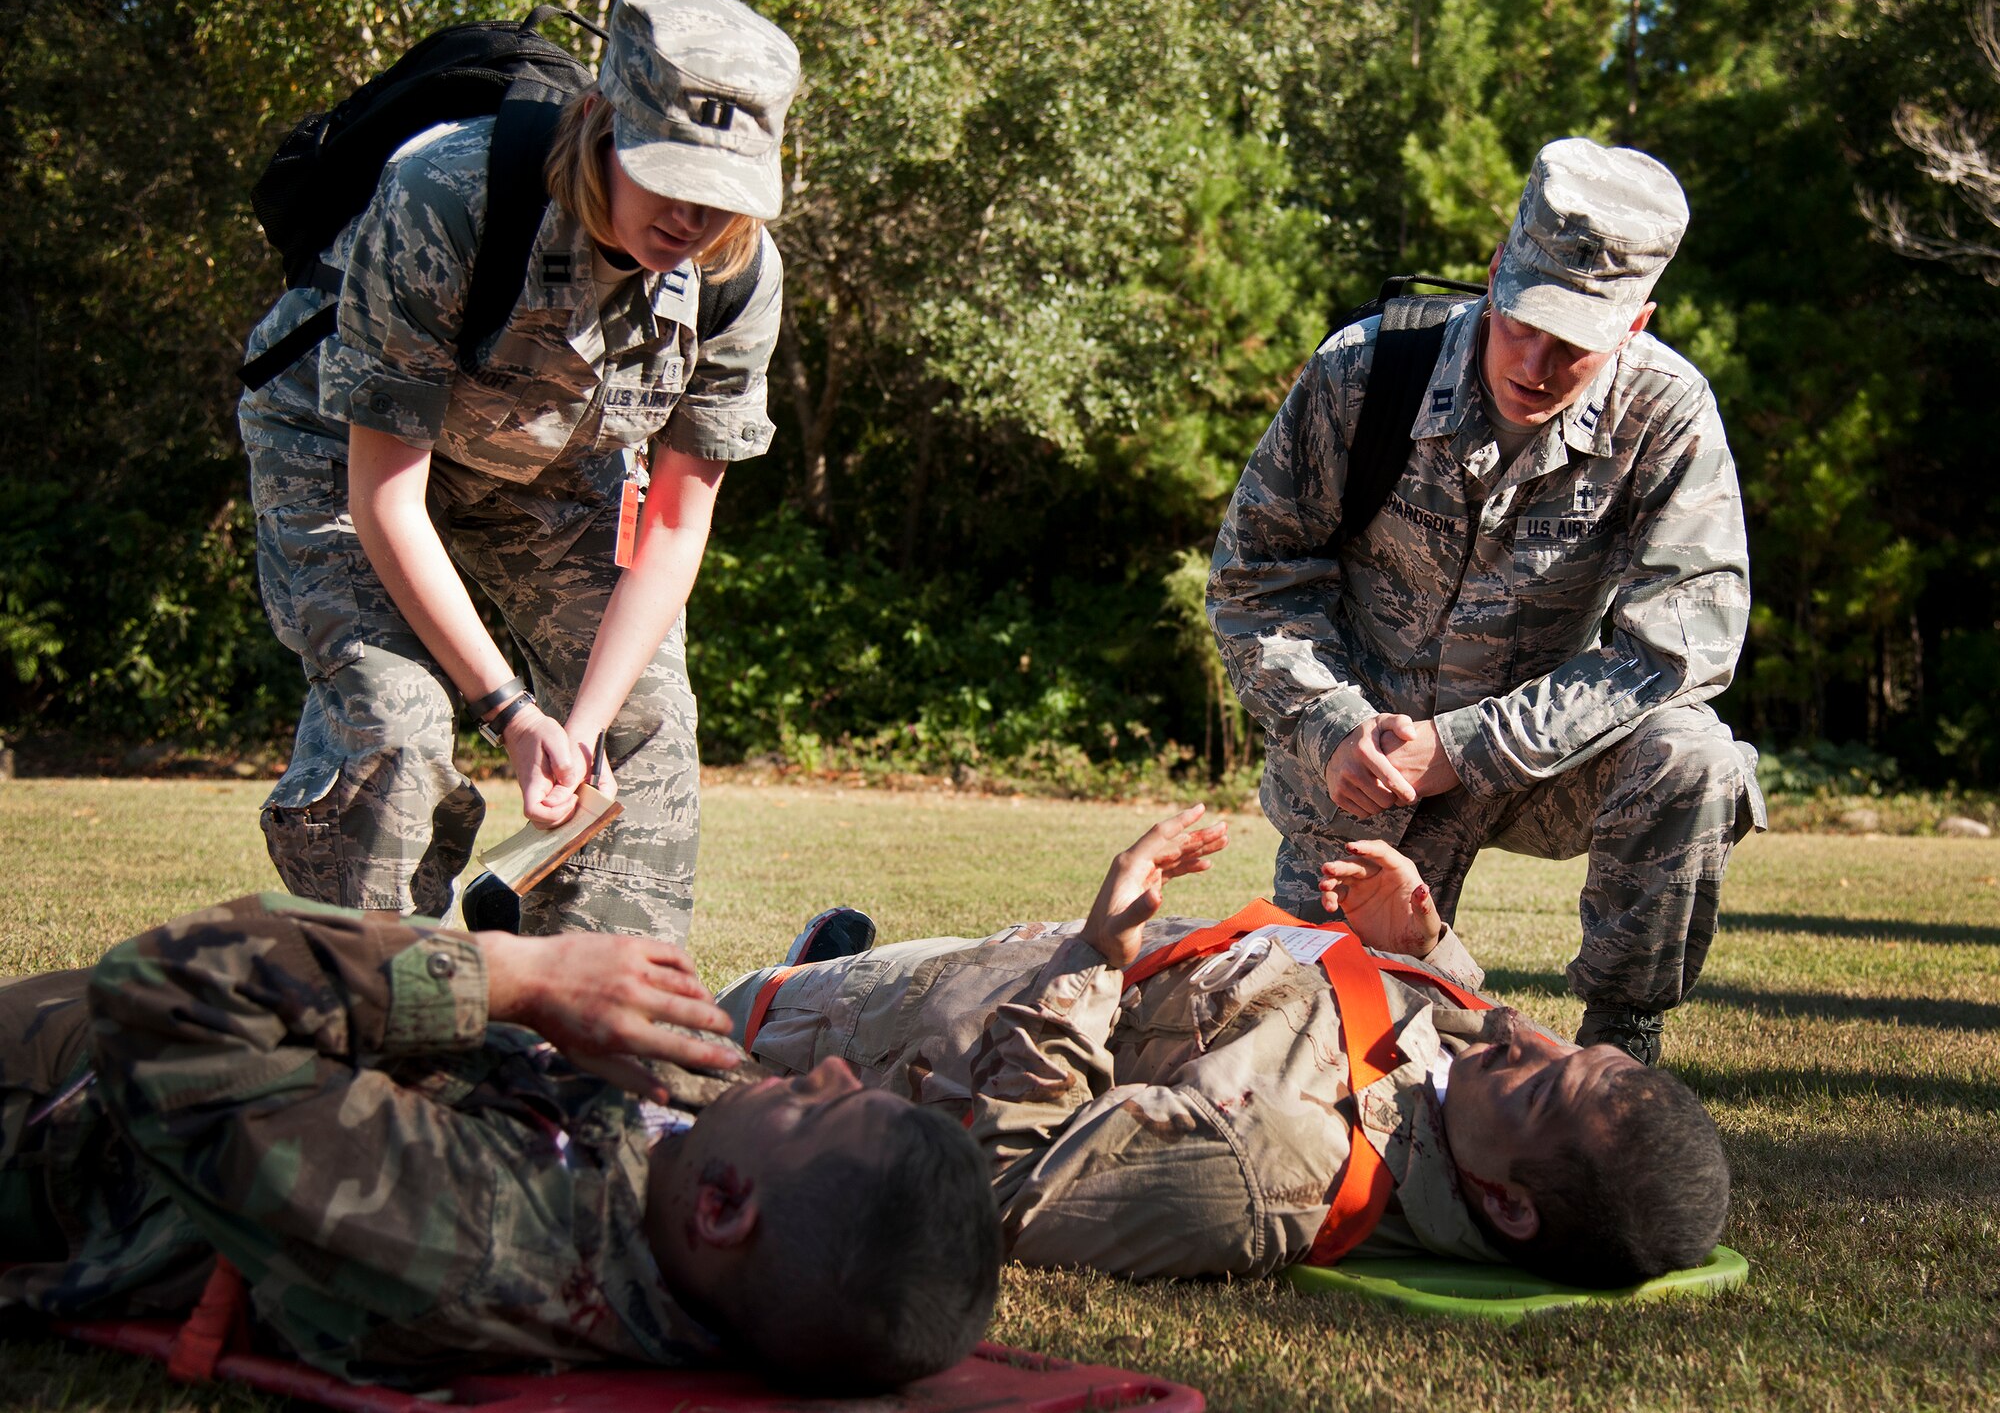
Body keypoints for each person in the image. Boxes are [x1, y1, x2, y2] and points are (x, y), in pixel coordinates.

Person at [237, 0, 798, 942]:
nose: (692, 220)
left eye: (724, 193)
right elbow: (388, 496)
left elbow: (672, 520)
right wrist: (509, 712)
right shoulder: (447, 197)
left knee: (640, 723)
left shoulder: (737, 279)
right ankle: (371, 1012)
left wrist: (576, 726)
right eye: (669, 173)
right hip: (345, 448)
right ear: (599, 123)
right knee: (397, 725)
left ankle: (586, 1039)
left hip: (550, 464)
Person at [1207, 137, 1768, 1064]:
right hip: (1367, 768)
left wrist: (1467, 748)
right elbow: (1255, 575)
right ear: (1498, 269)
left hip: (1540, 769)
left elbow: (1679, 645)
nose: (1538, 364)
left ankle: (1619, 1042)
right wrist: (1329, 721)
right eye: (1523, 322)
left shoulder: (1667, 414)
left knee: (1696, 757)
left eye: (1577, 342)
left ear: (1637, 321)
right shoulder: (1366, 373)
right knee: (1315, 1048)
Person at [0, 898, 1001, 1392]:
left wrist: (509, 976)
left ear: (723, 1208)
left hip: (38, 1102)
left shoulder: (464, 1230)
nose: (829, 1072)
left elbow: (159, 993)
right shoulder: (700, 1182)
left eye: (819, 1107)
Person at [718, 808, 1731, 1290]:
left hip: (898, 1033)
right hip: (996, 968)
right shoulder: (1472, 1104)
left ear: (1505, 1203)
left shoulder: (1277, 1165)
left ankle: (779, 992)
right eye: (1571, 1047)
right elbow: (1469, 1032)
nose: (1519, 1030)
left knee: (693, 1013)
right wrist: (1420, 947)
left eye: (1543, 1078)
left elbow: (998, 1181)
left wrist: (1096, 954)